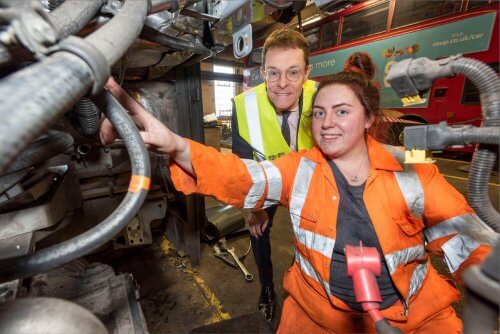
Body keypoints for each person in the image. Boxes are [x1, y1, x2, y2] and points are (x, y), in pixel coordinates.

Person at [101, 73, 496, 333]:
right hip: (315, 316)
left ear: (369, 119)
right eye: (319, 113)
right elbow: (242, 176)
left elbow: (473, 248)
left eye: (342, 111)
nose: (326, 123)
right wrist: (175, 145)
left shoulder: (416, 173)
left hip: (413, 320)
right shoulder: (301, 167)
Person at [231, 28, 316, 321]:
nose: (282, 84)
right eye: (274, 73)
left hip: (311, 181)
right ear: (262, 72)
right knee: (257, 233)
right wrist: (253, 209)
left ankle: (303, 285)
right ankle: (267, 288)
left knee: (315, 238)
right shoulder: (243, 106)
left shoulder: (324, 98)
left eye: (293, 73)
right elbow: (243, 166)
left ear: (307, 73)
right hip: (267, 180)